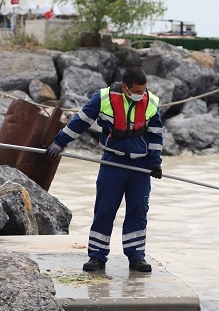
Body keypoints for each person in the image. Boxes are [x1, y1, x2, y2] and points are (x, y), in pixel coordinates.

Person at [47, 66, 163, 273]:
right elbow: (81, 121)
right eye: (137, 91)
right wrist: (60, 142)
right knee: (105, 209)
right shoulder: (103, 99)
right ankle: (97, 257)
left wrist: (155, 162)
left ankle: (136, 256)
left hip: (140, 166)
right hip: (112, 164)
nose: (141, 95)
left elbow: (155, 134)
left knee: (138, 211)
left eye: (143, 91)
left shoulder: (151, 102)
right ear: (125, 88)